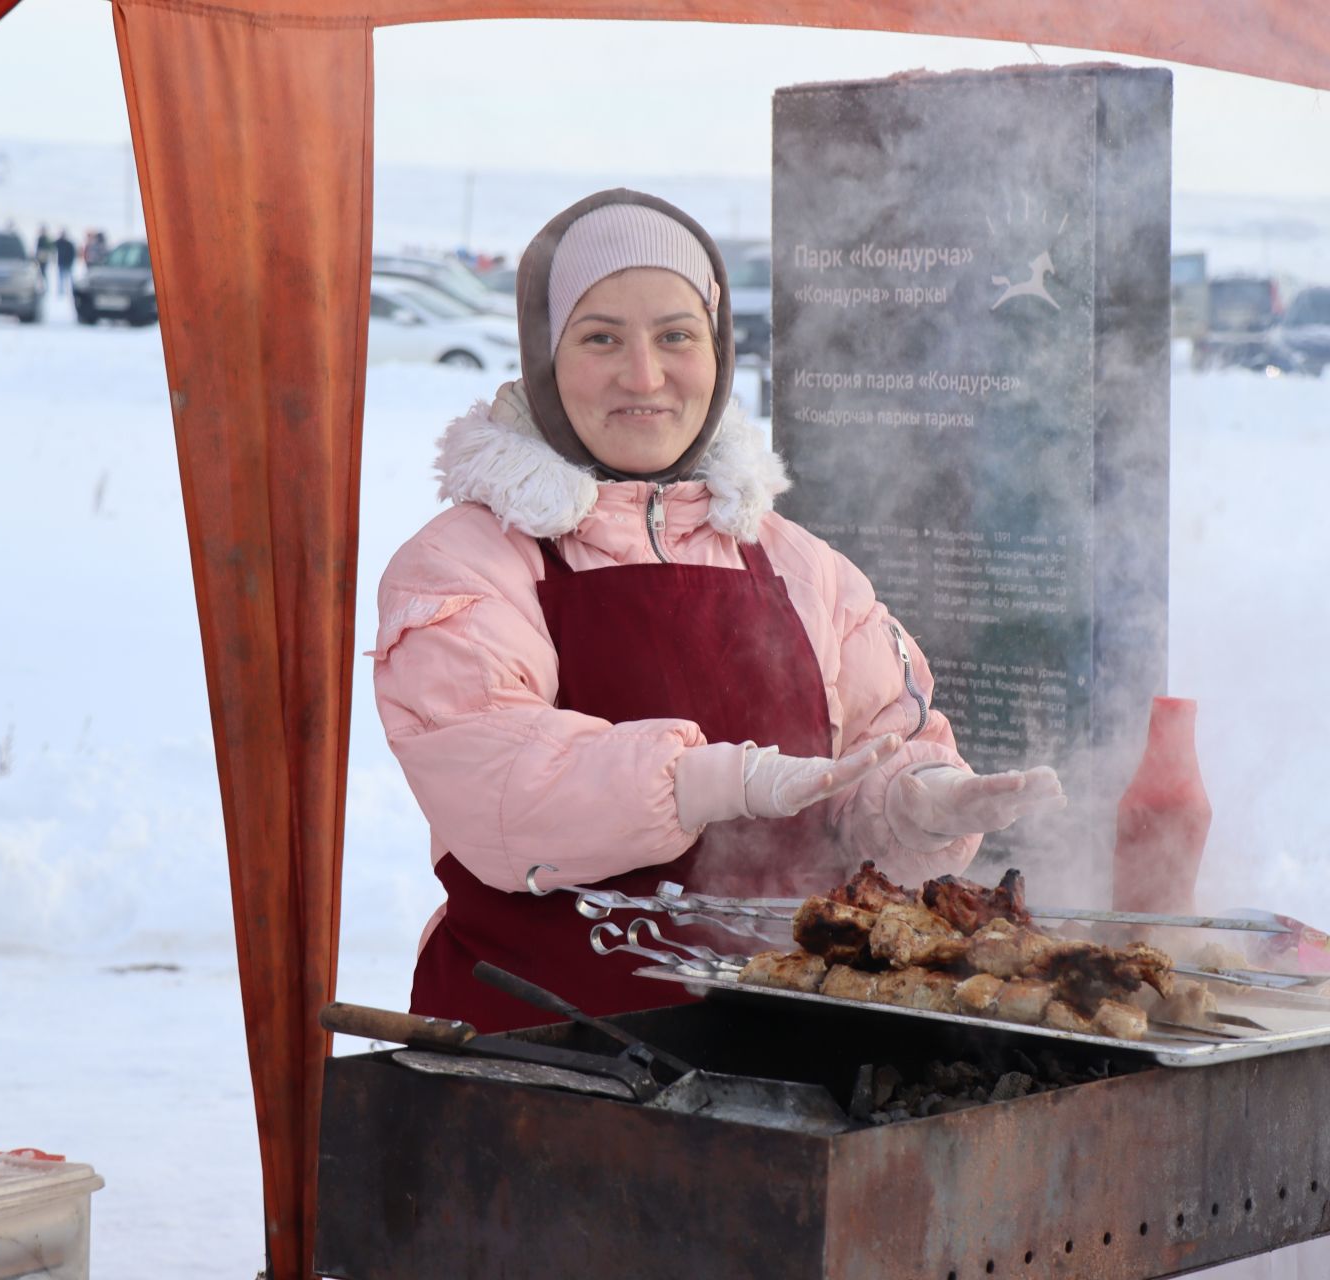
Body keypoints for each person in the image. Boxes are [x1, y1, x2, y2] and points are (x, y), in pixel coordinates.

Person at [374, 190, 1066, 1032]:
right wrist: (712, 784)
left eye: (675, 336)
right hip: (538, 1045)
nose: (644, 375)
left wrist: (915, 803)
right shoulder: (465, 563)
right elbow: (496, 787)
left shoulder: (799, 565)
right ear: (544, 357)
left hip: (777, 1055)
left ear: (718, 351)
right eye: (600, 338)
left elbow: (882, 743)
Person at [53, 229, 76, 295]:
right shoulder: (59, 242)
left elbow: (73, 254)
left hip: (68, 263)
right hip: (61, 263)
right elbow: (52, 244)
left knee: (70, 279)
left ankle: (72, 290)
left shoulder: (69, 244)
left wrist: (71, 262)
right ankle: (61, 291)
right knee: (61, 279)